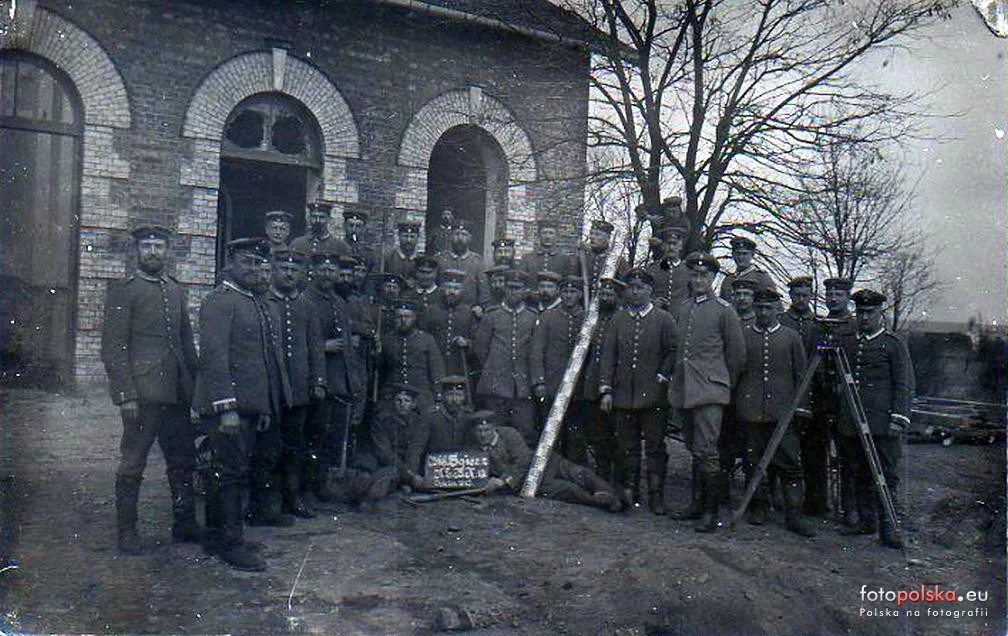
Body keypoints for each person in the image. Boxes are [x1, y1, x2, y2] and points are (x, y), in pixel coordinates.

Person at [100, 225, 201, 554]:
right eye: (147, 246)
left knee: (182, 460)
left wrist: (195, 388)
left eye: (159, 245)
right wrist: (125, 393)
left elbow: (186, 343)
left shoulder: (175, 290)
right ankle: (127, 531)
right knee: (133, 462)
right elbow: (113, 348)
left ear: (167, 250)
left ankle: (184, 523)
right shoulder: (125, 291)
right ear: (137, 251)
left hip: (176, 394)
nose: (153, 251)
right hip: (142, 395)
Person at [193, 237, 283, 572]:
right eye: (246, 261)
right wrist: (226, 407)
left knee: (227, 472)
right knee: (229, 474)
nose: (253, 268)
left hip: (247, 407)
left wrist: (260, 408)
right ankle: (231, 544)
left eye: (258, 262)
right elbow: (214, 357)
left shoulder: (252, 301)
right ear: (229, 262)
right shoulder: (221, 301)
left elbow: (257, 361)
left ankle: (217, 537)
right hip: (226, 408)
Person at [668, 252, 746, 532]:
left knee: (707, 450)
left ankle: (712, 513)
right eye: (695, 274)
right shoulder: (685, 307)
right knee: (693, 447)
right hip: (686, 388)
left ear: (713, 278)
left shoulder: (724, 310)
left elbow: (737, 355)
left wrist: (723, 384)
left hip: (711, 390)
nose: (698, 280)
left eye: (704, 275)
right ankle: (697, 504)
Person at [735, 288, 815, 536]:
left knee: (790, 463)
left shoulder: (791, 338)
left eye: (768, 308)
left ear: (778, 309)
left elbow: (802, 376)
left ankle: (794, 514)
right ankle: (759, 508)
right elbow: (736, 371)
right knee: (752, 462)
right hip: (751, 411)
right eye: (759, 307)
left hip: (783, 413)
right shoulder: (744, 335)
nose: (763, 312)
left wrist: (801, 408)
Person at [837, 289, 913, 549]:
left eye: (870, 312)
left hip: (882, 423)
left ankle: (889, 527)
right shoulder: (847, 341)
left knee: (886, 475)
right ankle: (866, 521)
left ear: (881, 313)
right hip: (852, 421)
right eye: (860, 312)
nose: (865, 317)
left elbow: (904, 384)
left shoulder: (893, 344)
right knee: (858, 471)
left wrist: (898, 418)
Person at [598, 269, 678, 514]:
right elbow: (608, 355)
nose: (635, 292)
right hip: (623, 395)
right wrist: (606, 389)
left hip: (654, 396)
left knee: (655, 446)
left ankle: (656, 496)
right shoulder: (617, 320)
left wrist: (662, 375)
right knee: (626, 446)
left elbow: (673, 350)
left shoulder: (664, 319)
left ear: (650, 291)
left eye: (640, 288)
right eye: (631, 287)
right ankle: (630, 492)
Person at [261, 248, 327, 519]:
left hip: (299, 390)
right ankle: (267, 501)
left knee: (294, 445)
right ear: (274, 271)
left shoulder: (306, 306)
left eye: (294, 270)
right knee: (267, 447)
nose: (289, 274)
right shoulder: (263, 301)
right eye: (284, 269)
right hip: (270, 389)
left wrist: (318, 380)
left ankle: (292, 496)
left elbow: (315, 346)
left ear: (301, 274)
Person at [465, 412, 622, 511]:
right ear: (474, 432)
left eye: (487, 430)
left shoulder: (509, 435)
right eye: (479, 431)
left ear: (494, 428)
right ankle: (603, 502)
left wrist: (503, 480)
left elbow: (523, 460)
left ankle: (610, 492)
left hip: (544, 463)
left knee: (578, 473)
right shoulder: (473, 451)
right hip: (532, 482)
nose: (483, 434)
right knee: (569, 491)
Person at [805, 276, 857, 518]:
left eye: (839, 295)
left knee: (847, 454)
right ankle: (816, 504)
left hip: (845, 402)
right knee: (815, 453)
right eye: (830, 294)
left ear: (847, 298)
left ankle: (849, 509)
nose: (834, 299)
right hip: (820, 399)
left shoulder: (854, 328)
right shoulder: (819, 327)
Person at [472, 270, 539, 444]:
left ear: (525, 291)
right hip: (495, 385)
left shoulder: (532, 317)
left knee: (525, 431)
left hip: (522, 387)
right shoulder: (492, 314)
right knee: (496, 432)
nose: (513, 292)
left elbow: (535, 351)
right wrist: (493, 369)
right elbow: (480, 349)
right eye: (510, 287)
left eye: (518, 288)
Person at [531, 275, 588, 463]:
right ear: (559, 293)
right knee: (551, 434)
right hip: (552, 385)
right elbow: (537, 351)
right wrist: (539, 380)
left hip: (577, 388)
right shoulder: (548, 317)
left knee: (575, 436)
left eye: (573, 292)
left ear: (580, 294)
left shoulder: (587, 318)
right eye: (565, 292)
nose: (569, 296)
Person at [347, 384, 430, 507]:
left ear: (413, 404)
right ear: (393, 402)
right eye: (398, 400)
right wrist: (409, 475)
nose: (402, 404)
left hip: (407, 462)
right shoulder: (381, 419)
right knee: (373, 474)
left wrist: (411, 473)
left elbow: (415, 449)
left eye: (407, 401)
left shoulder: (419, 422)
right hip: (385, 461)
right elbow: (384, 452)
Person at [580, 277, 624, 482]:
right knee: (597, 434)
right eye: (603, 294)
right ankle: (602, 475)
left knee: (615, 434)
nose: (606, 298)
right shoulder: (593, 319)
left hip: (615, 385)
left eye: (610, 295)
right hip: (592, 383)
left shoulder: (622, 319)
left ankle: (618, 478)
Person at [379, 296, 445, 410]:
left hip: (421, 394)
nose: (403, 321)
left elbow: (437, 369)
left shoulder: (427, 339)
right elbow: (380, 370)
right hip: (392, 395)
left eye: (407, 317)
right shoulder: (387, 339)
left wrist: (438, 394)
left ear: (414, 318)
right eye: (399, 317)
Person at [423, 269, 477, 378]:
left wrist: (467, 343)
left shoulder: (468, 312)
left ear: (462, 291)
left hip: (459, 366)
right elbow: (421, 338)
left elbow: (476, 341)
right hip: (432, 365)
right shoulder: (430, 311)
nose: (451, 292)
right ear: (442, 288)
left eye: (456, 288)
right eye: (448, 287)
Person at [436, 220, 484, 306]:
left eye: (464, 234)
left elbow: (483, 290)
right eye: (456, 234)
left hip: (469, 310)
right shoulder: (440, 259)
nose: (460, 238)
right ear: (451, 237)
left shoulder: (478, 262)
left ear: (470, 238)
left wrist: (480, 307)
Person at [645, 221, 690, 311]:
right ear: (663, 246)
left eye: (675, 244)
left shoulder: (688, 270)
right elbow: (643, 293)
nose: (671, 248)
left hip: (680, 318)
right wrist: (652, 302)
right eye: (668, 244)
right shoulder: (652, 269)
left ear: (680, 246)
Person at [426, 376, 474, 453]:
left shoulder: (469, 415)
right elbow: (417, 446)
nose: (454, 400)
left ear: (464, 397)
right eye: (450, 395)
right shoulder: (431, 416)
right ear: (443, 396)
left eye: (458, 395)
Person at [718, 236, 774, 303]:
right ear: (733, 255)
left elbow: (773, 303)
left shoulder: (762, 277)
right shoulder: (728, 280)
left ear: (752, 254)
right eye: (738, 254)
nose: (741, 257)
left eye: (745, 254)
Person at [779, 276, 816, 355]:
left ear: (811, 295)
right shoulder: (780, 321)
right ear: (790, 294)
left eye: (805, 295)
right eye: (797, 295)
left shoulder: (818, 322)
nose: (801, 299)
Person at [385, 220, 421, 287]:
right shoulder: (389, 257)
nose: (408, 240)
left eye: (412, 236)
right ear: (399, 236)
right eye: (405, 236)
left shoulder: (421, 260)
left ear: (418, 237)